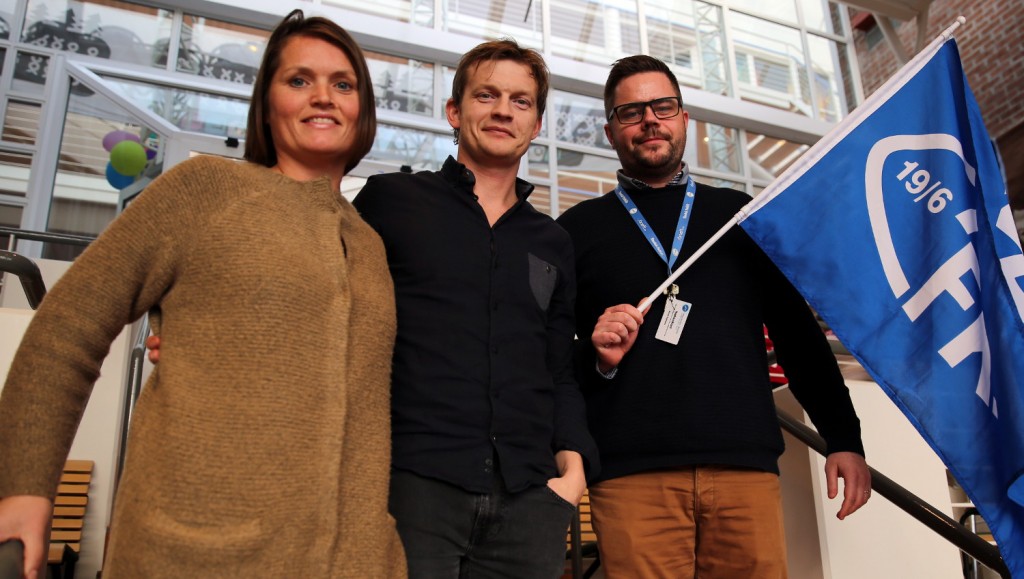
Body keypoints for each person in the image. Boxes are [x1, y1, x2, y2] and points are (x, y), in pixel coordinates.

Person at [0, 10, 405, 578]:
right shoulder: (206, 189)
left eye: (343, 84)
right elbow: (68, 327)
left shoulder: (368, 243)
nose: (323, 97)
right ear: (267, 105)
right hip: (198, 553)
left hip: (352, 563)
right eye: (298, 80)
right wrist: (24, 486)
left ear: (363, 109)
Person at [555, 55, 871, 578]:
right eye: (631, 112)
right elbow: (550, 357)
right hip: (632, 473)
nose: (649, 120)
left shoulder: (739, 216)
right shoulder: (575, 231)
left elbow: (797, 335)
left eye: (662, 106)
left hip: (742, 465)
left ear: (684, 119)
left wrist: (842, 436)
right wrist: (596, 357)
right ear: (610, 132)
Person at [351, 40, 599, 578]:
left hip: (530, 499)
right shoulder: (391, 201)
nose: (503, 110)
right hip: (412, 487)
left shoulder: (552, 241)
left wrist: (572, 467)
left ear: (536, 125)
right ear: (454, 111)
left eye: (520, 101)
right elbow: (335, 318)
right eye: (486, 95)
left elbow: (558, 369)